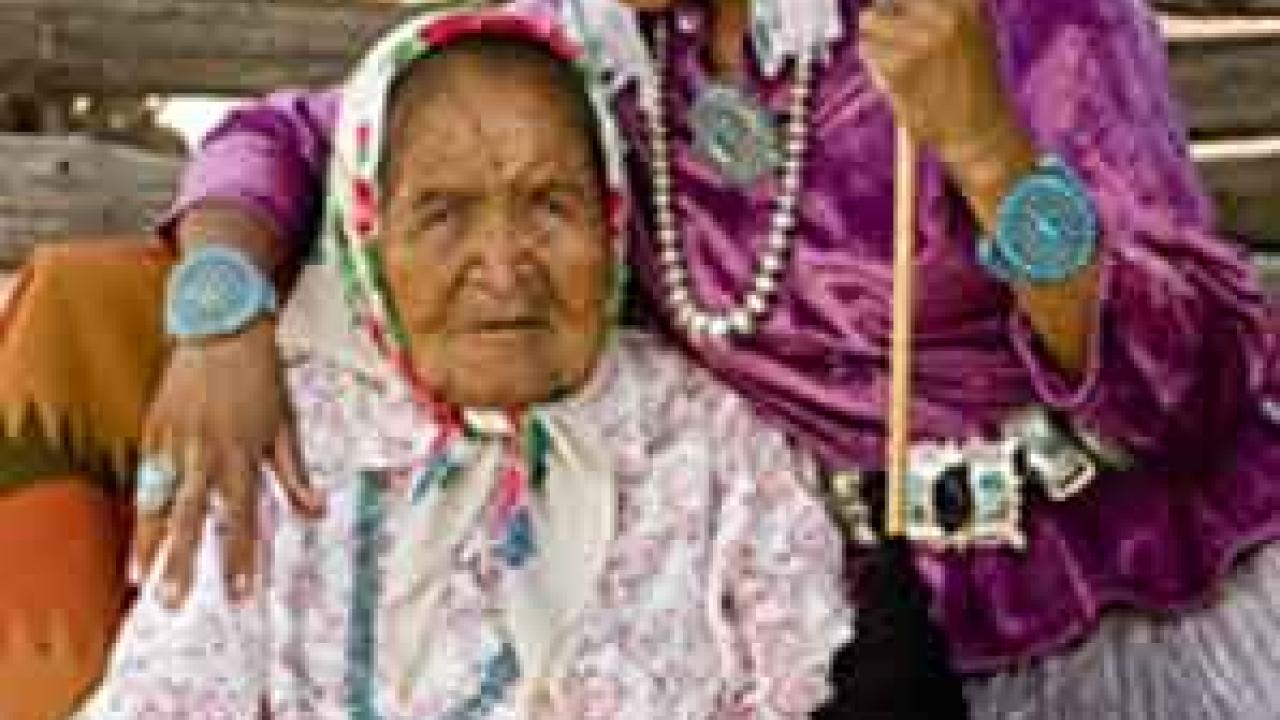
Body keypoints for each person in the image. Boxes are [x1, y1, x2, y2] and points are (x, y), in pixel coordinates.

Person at [131, 0, 1280, 716]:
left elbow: (1200, 381)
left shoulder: (1027, 18)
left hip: (1134, 595)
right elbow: (295, 136)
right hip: (861, 627)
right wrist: (219, 313)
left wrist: (987, 151)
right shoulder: (593, 52)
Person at [75, 12, 852, 718]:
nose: (506, 269)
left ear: (613, 217)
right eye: (444, 213)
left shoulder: (714, 441)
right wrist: (220, 314)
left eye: (552, 203)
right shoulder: (284, 433)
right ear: (367, 237)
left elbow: (805, 690)